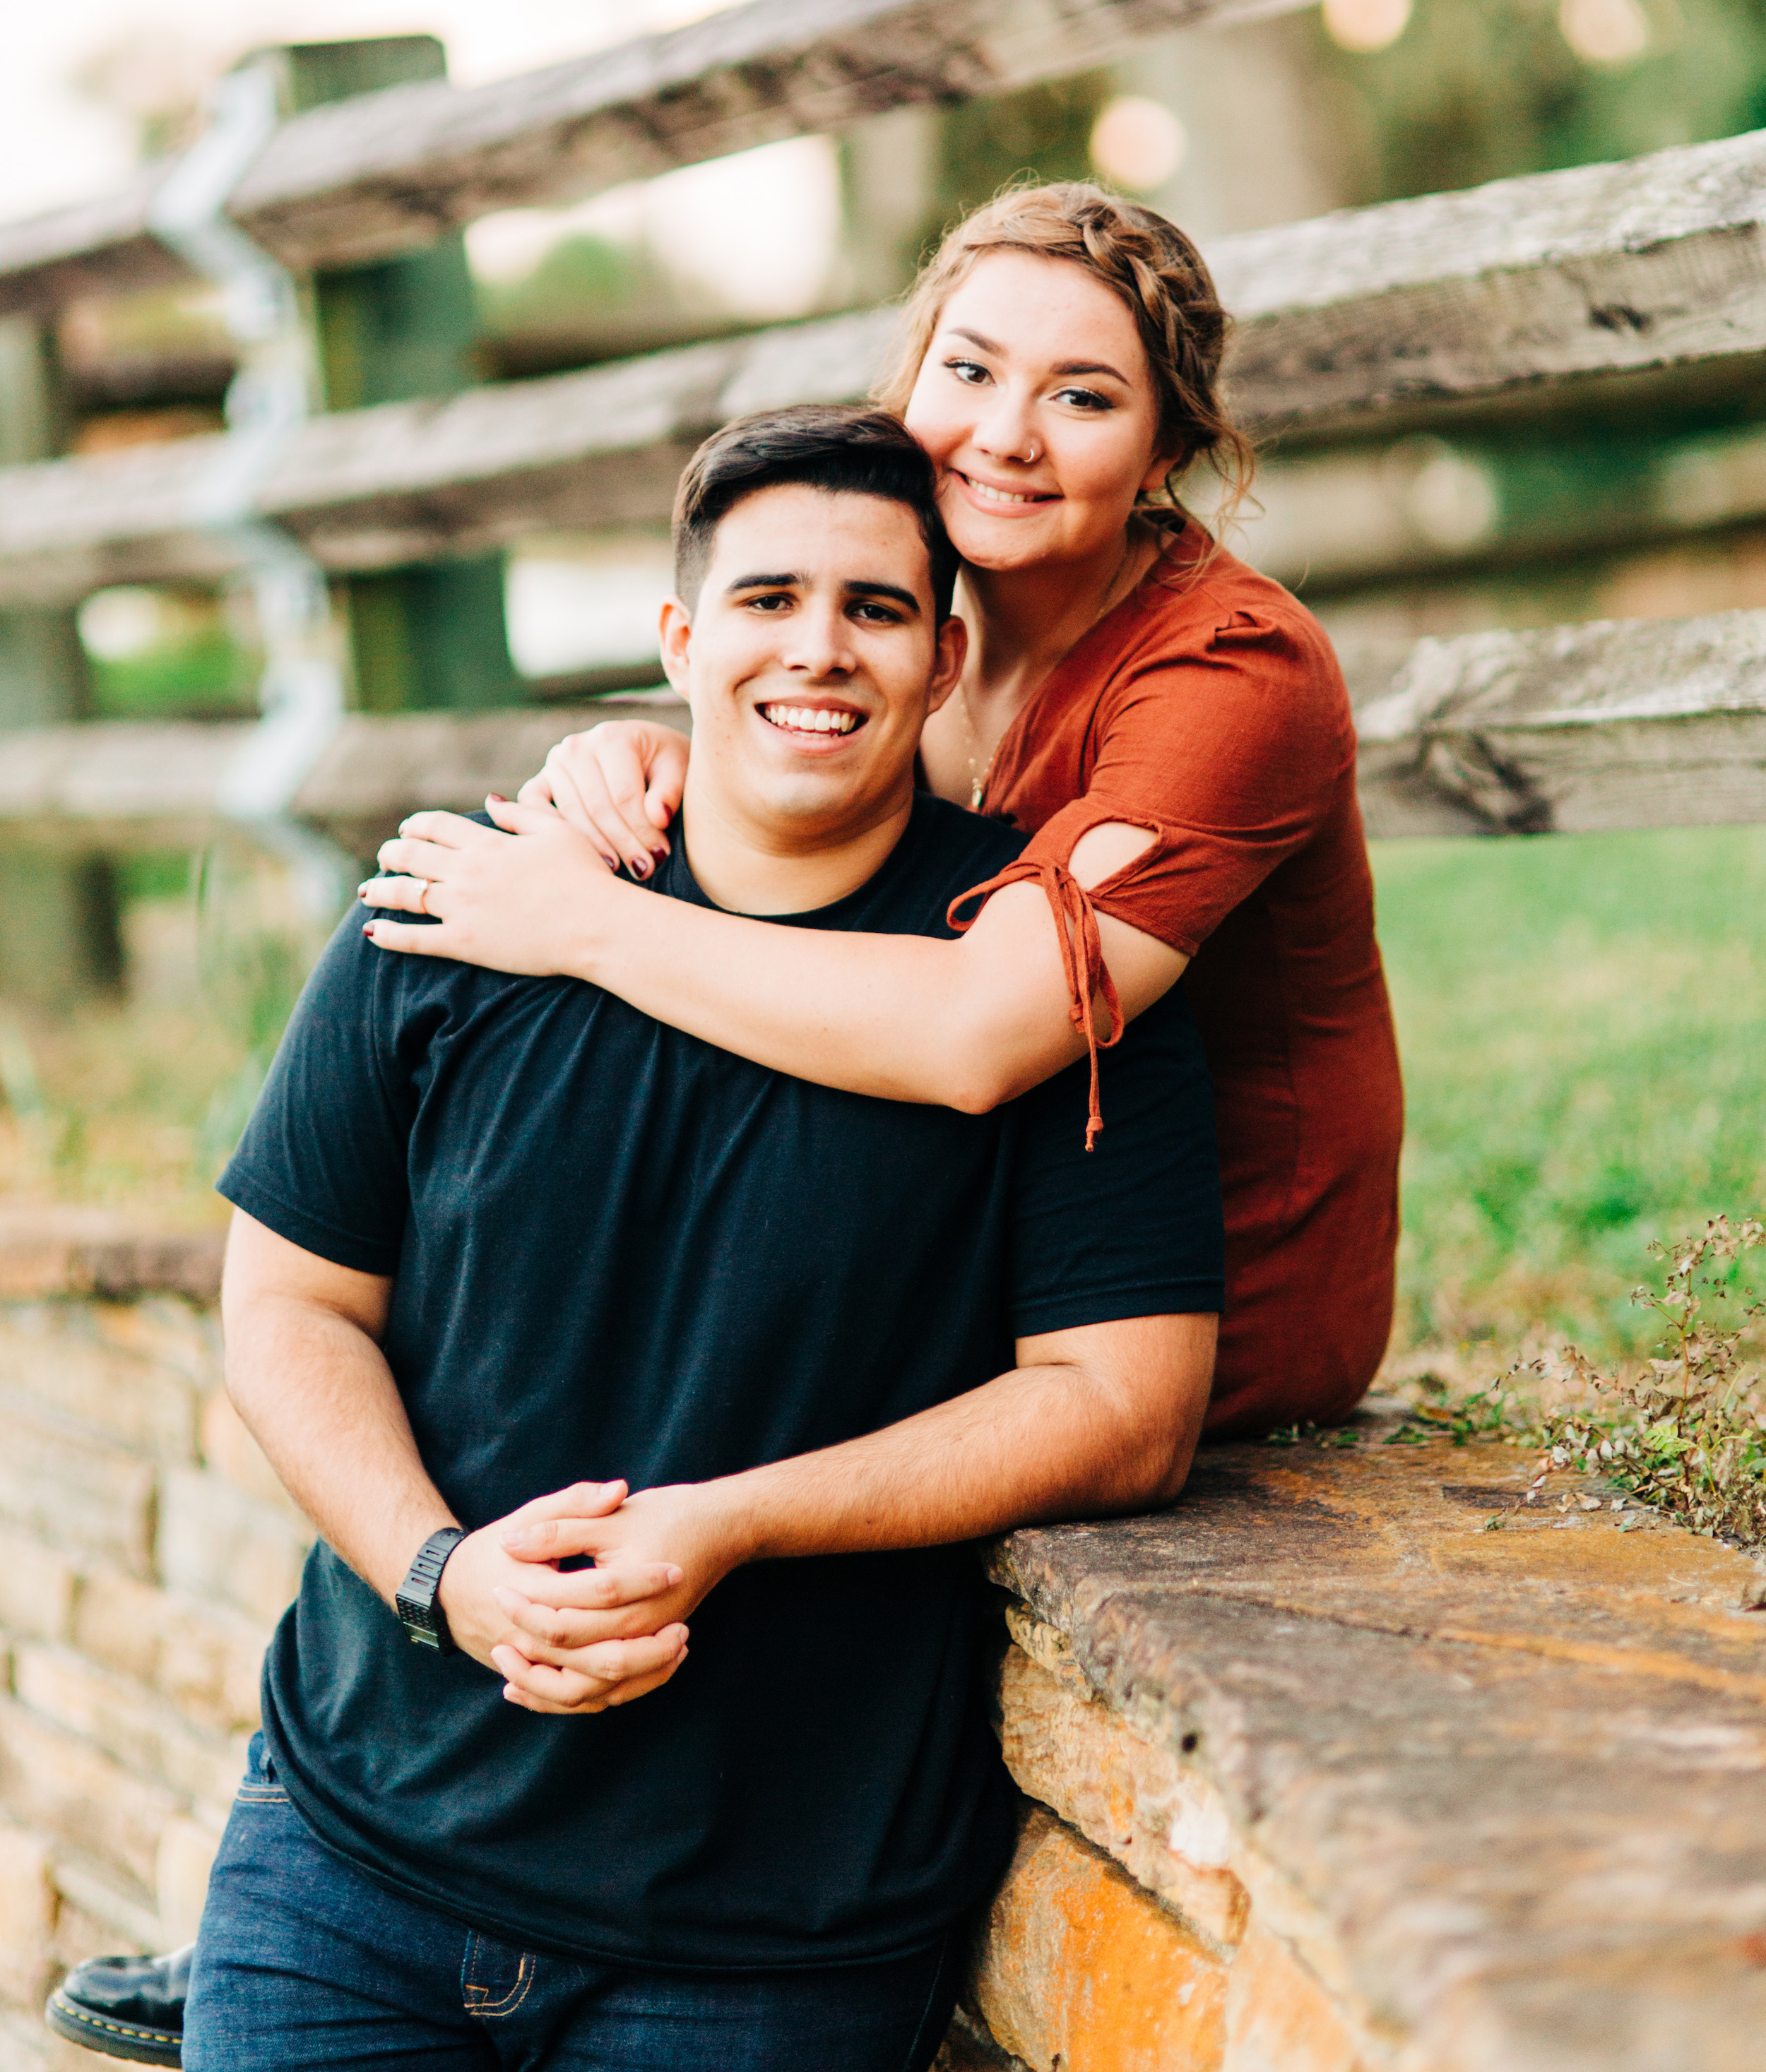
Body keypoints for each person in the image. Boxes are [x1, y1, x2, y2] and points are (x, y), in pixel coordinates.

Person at [55, 406, 1222, 2072]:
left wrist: (733, 1522)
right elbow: (289, 1299)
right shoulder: (459, 909)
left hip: (762, 1940)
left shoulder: (1029, 978)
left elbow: (1127, 1403)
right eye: (764, 599)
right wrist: (435, 1573)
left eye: (873, 609)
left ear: (946, 655)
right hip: (348, 1874)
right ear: (676, 640)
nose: (815, 648)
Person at [352, 181, 1404, 1441]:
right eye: (970, 370)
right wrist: (672, 744)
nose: (1007, 435)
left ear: (1165, 455)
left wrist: (578, 922)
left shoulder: (1232, 675)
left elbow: (976, 1033)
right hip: (934, 1270)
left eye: (1082, 397)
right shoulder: (917, 633)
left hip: (1169, 1329)